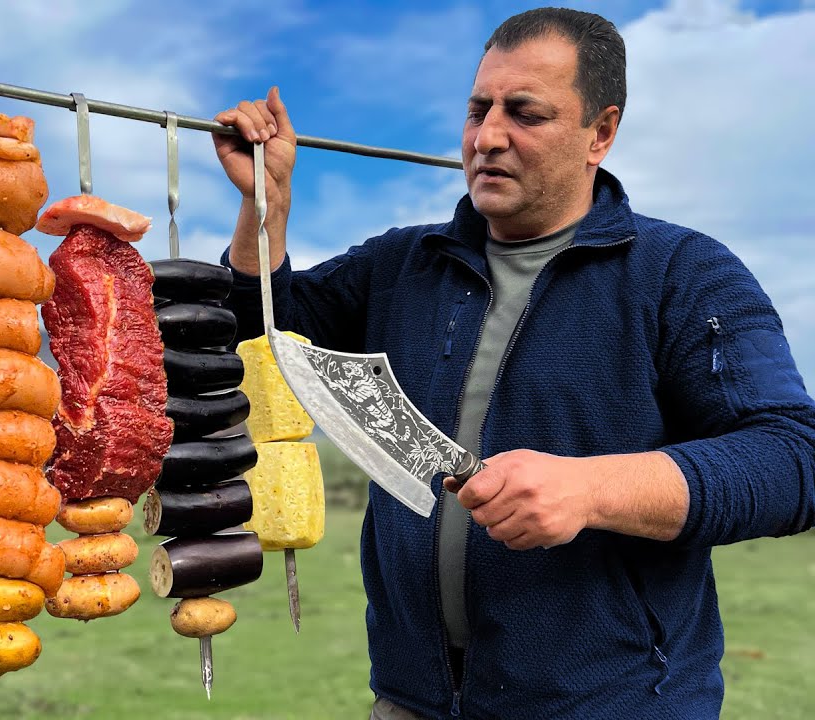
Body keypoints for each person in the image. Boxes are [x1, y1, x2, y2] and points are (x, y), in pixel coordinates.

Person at [211, 7, 815, 719]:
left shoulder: (682, 274)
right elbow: (260, 331)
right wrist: (265, 207)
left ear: (601, 133)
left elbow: (792, 460)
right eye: (478, 109)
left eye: (525, 113)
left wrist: (591, 489)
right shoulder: (402, 263)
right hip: (413, 702)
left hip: (614, 705)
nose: (488, 137)